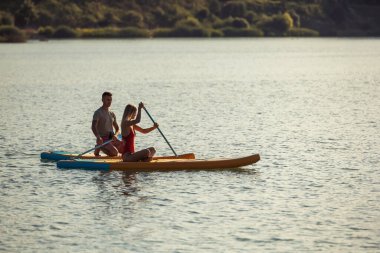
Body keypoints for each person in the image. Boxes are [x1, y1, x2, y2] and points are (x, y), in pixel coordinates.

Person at [92, 91, 121, 156]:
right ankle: (99, 146)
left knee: (124, 147)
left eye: (110, 100)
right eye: (107, 100)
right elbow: (93, 126)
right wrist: (98, 137)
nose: (109, 102)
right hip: (103, 138)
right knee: (115, 153)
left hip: (111, 137)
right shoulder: (98, 112)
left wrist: (116, 135)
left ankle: (99, 147)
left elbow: (117, 128)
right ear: (102, 100)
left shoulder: (112, 113)